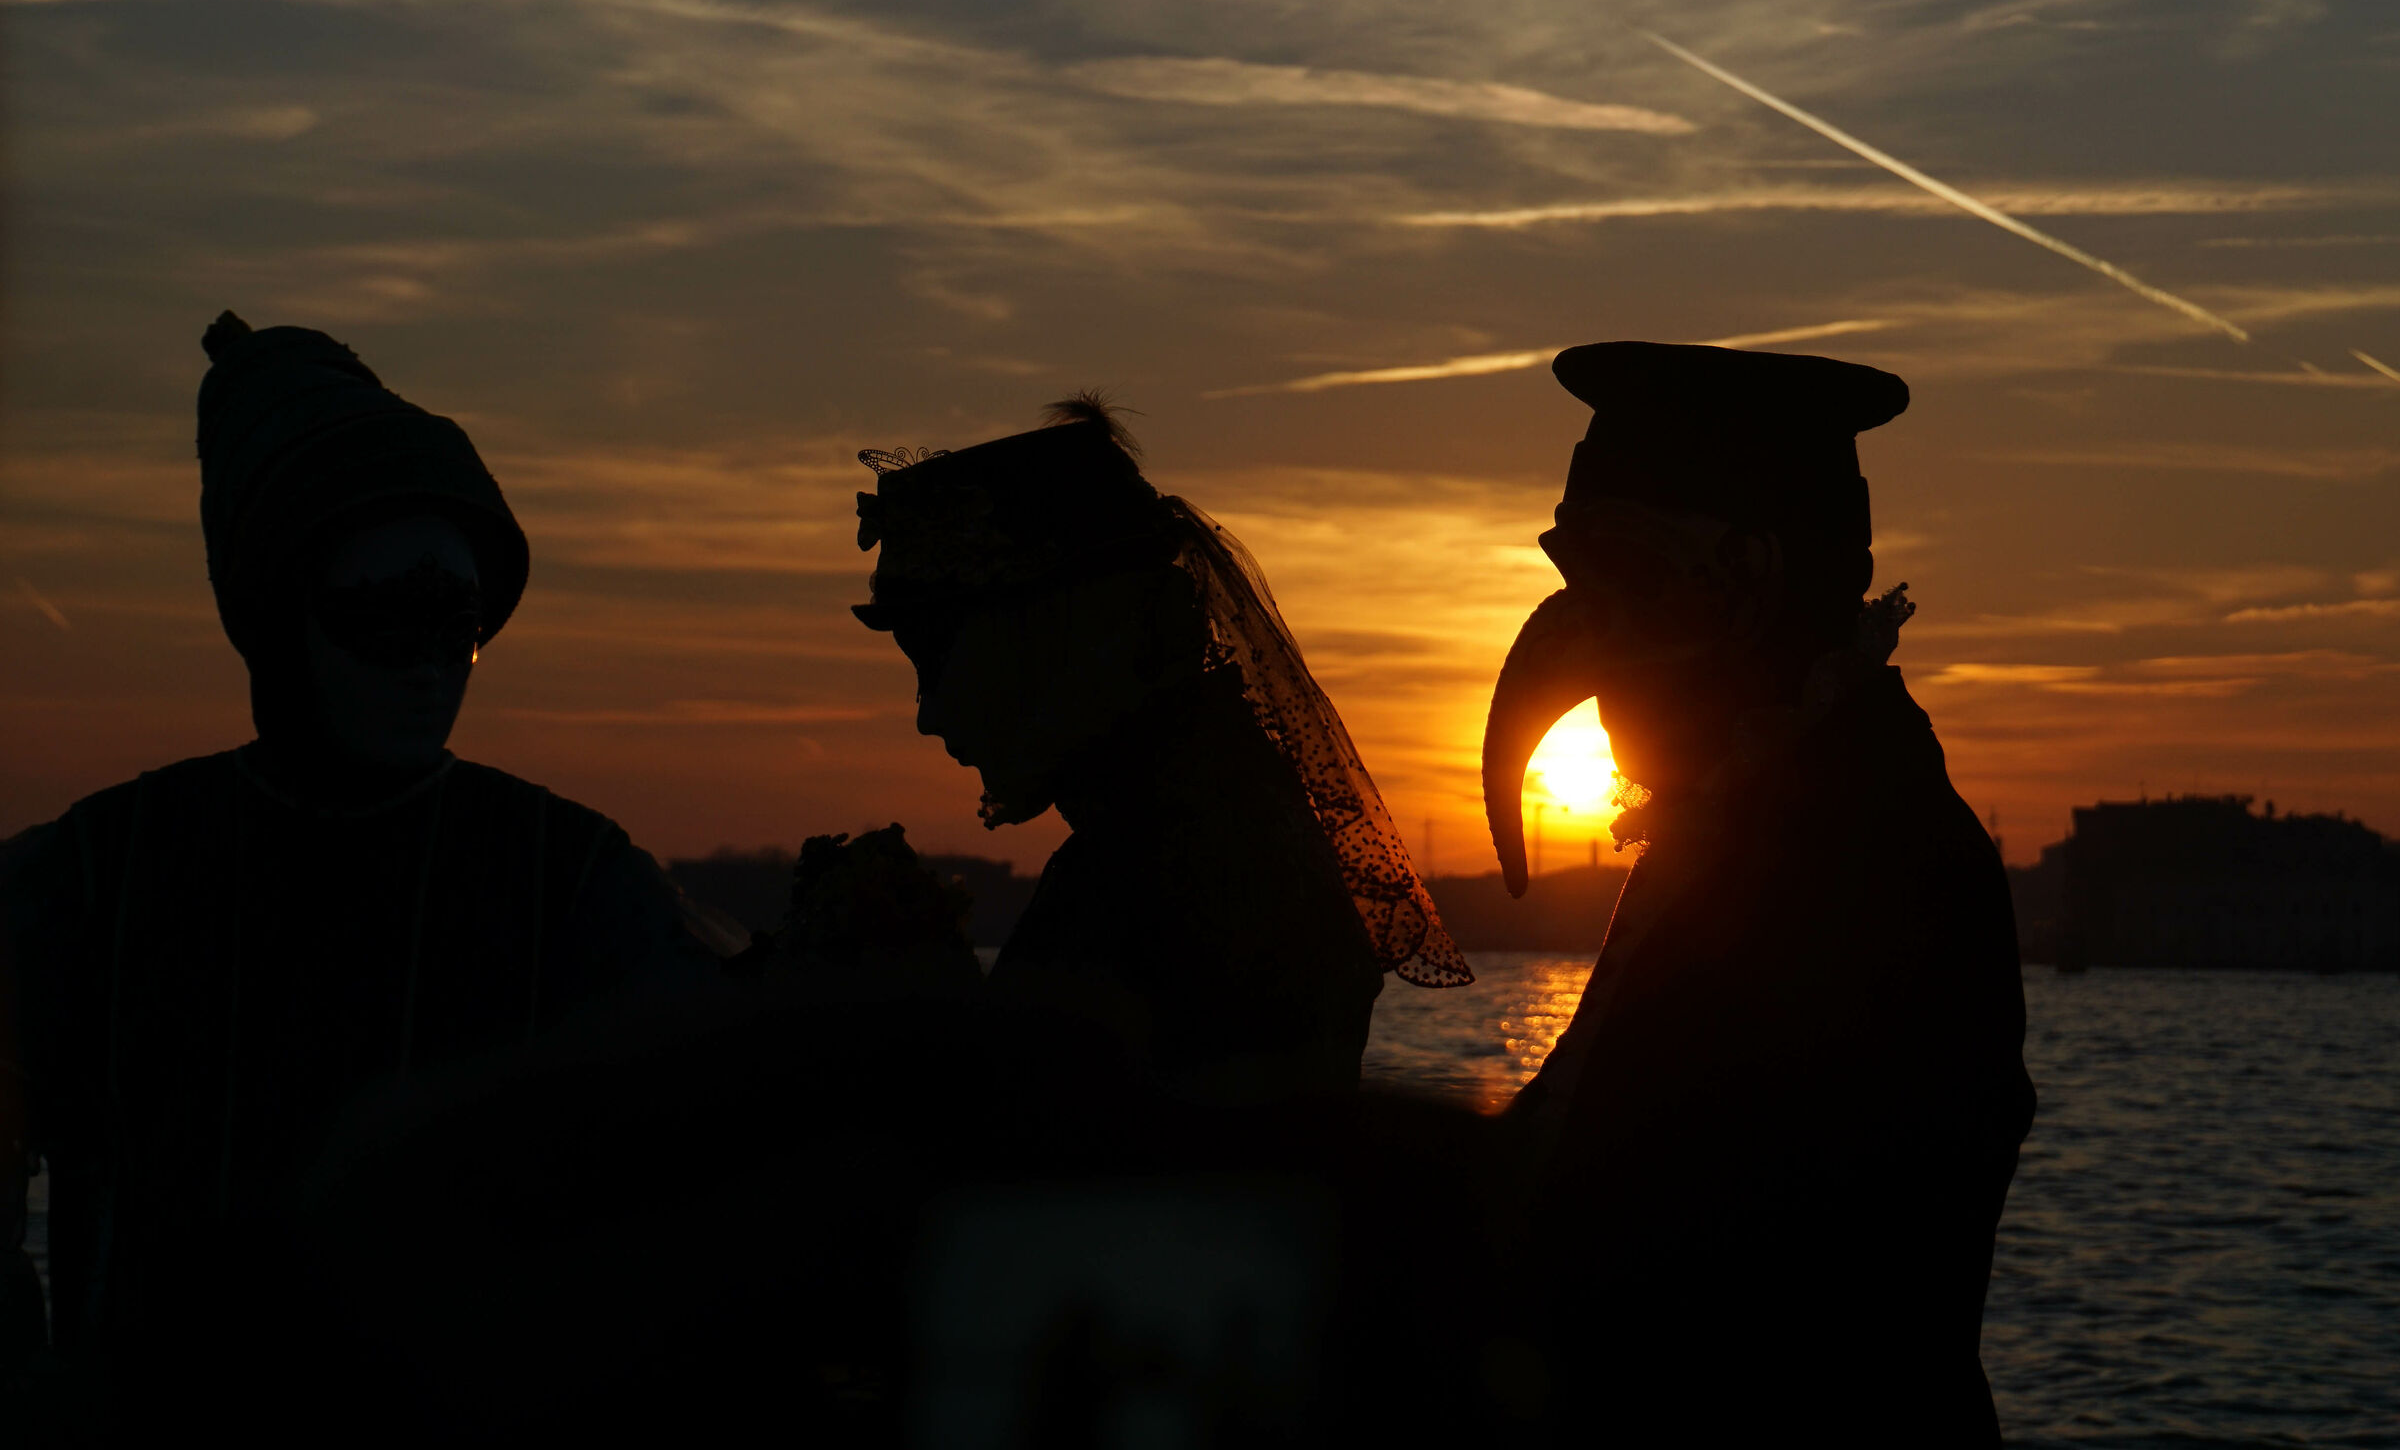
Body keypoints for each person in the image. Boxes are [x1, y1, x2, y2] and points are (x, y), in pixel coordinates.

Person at [0, 313, 724, 1419]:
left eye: (462, 624)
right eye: (385, 621)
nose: (433, 667)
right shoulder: (97, 874)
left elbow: (712, 1160)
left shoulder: (575, 878)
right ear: (277, 615)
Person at [1480, 343, 2036, 1441]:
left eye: (1633, 580)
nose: (1589, 643)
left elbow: (1690, 1278)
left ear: (1754, 584)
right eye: (1577, 576)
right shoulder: (1748, 821)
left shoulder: (1854, 862)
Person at [851, 396, 1469, 1105]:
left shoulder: (1174, 862)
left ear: (1071, 636)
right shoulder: (1210, 818)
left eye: (941, 657)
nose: (931, 714)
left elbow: (1063, 1159)